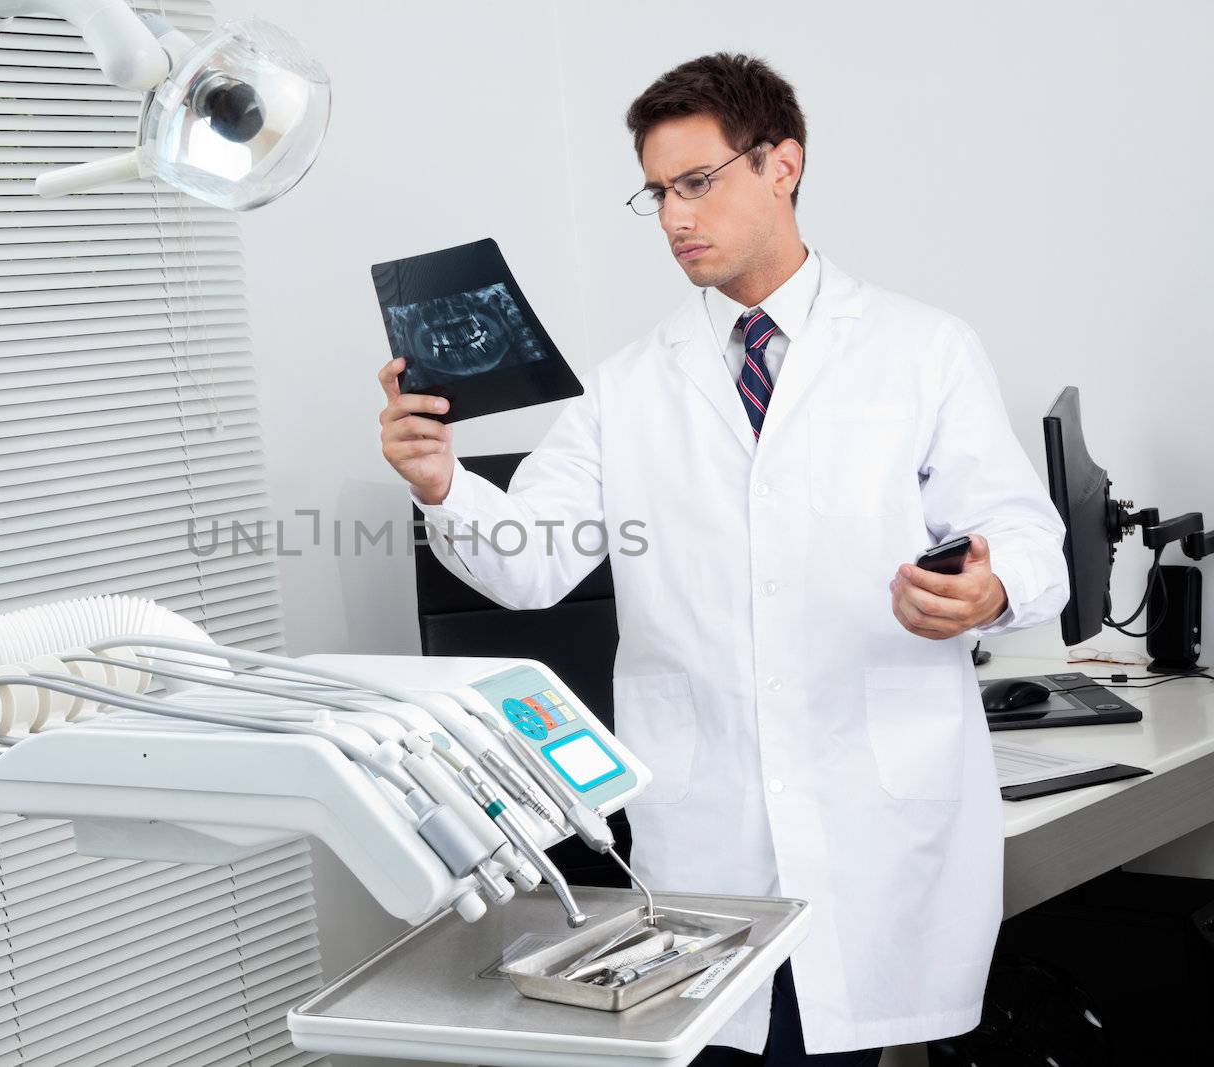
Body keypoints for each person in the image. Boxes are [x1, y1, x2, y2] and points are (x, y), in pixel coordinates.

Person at [375, 52, 1067, 1067]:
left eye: (696, 182)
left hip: (870, 811)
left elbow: (1025, 534)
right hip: (707, 826)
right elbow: (530, 566)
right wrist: (441, 481)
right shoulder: (627, 386)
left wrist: (987, 587)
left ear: (781, 165)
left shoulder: (920, 350)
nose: (673, 218)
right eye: (656, 193)